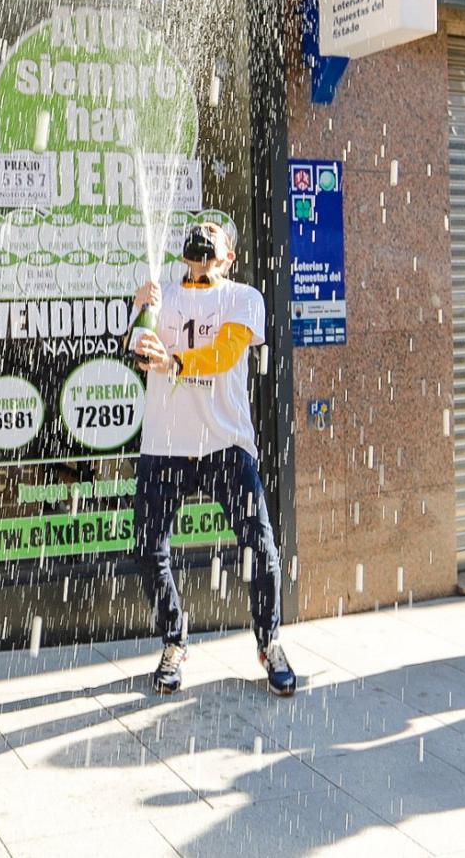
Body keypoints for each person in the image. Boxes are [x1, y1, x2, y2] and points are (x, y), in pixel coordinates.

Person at [130, 221, 296, 698]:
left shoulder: (244, 298)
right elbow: (136, 349)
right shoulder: (160, 288)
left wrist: (175, 363)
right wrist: (141, 319)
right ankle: (174, 639)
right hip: (164, 444)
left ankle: (270, 642)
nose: (202, 231)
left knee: (260, 546)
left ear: (229, 255)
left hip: (225, 443)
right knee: (147, 548)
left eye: (213, 230)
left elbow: (224, 354)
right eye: (197, 226)